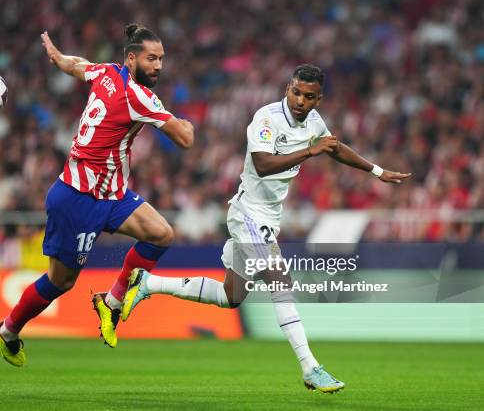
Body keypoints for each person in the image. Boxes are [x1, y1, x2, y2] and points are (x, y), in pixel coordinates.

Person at [120, 64, 411, 393]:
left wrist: (376, 170)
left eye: (309, 96)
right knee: (280, 279)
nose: (300, 100)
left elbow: (335, 147)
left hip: (268, 217)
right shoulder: (267, 118)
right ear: (288, 87)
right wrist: (309, 150)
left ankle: (149, 282)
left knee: (231, 297)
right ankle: (310, 367)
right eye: (296, 92)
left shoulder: (313, 122)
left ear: (319, 99)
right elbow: (262, 163)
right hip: (247, 213)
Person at [0, 24, 194, 366]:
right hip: (77, 198)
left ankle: (111, 303)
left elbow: (78, 65)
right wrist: (185, 120)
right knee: (60, 281)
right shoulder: (139, 96)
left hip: (112, 194)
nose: (158, 66)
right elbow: (185, 139)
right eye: (151, 58)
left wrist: (58, 58)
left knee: (161, 233)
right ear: (131, 58)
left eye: (162, 59)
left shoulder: (106, 73)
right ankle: (7, 330)